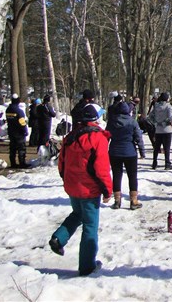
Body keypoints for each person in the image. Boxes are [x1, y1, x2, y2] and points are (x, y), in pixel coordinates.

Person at [48, 104, 112, 276]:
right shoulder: (98, 139)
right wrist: (107, 190)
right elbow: (101, 168)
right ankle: (87, 266)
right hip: (89, 189)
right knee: (90, 226)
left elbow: (62, 162)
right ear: (95, 119)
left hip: (73, 185)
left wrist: (66, 179)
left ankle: (58, 238)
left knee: (77, 214)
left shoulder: (71, 137)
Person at [106, 102, 145, 210]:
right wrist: (142, 151)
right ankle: (133, 201)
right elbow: (138, 137)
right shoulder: (132, 122)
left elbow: (106, 136)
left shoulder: (111, 122)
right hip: (130, 152)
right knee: (132, 176)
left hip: (114, 152)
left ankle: (117, 201)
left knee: (116, 176)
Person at [147, 92, 172, 170]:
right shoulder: (168, 106)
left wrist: (155, 123)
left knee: (156, 147)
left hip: (158, 129)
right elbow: (171, 117)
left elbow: (150, 117)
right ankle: (167, 164)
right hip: (167, 129)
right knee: (167, 147)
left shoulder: (156, 106)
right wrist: (171, 123)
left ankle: (154, 163)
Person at [6, 93, 29, 168]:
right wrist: (25, 131)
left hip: (11, 132)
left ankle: (13, 163)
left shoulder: (8, 110)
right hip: (19, 133)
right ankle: (22, 163)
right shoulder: (19, 111)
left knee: (12, 148)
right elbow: (22, 122)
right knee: (21, 148)